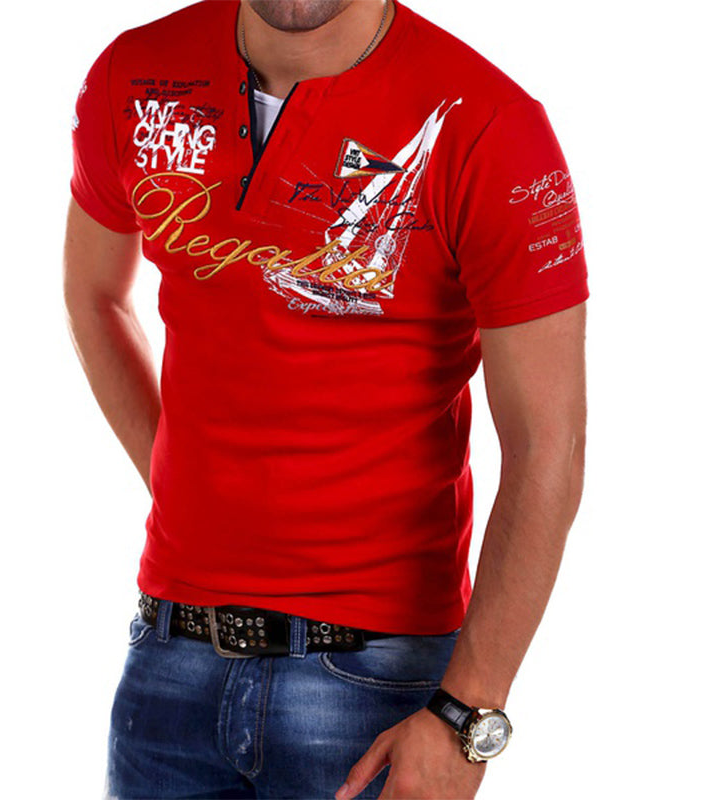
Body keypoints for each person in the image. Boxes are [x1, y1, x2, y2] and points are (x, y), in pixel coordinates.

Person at [63, 0, 588, 797]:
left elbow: (550, 443)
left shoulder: (489, 124)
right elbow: (95, 295)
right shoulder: (134, 77)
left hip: (378, 680)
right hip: (169, 659)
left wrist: (467, 711)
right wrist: (185, 481)